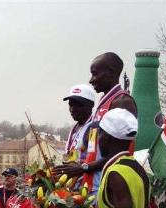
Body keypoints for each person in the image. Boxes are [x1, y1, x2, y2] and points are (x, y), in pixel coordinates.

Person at [54, 52, 137, 195]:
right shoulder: (104, 102)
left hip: (109, 188)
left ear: (111, 73)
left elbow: (117, 154)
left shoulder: (122, 102)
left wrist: (82, 168)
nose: (91, 80)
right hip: (91, 187)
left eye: (95, 74)